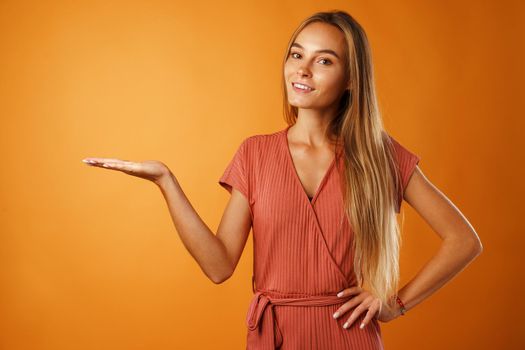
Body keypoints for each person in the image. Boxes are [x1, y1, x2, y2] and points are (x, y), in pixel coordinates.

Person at [82, 9, 483, 350]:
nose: (303, 70)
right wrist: (166, 181)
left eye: (324, 60)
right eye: (296, 55)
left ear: (351, 79)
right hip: (275, 336)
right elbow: (219, 266)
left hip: (349, 336)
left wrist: (396, 304)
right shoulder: (255, 153)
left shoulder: (379, 155)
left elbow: (464, 240)